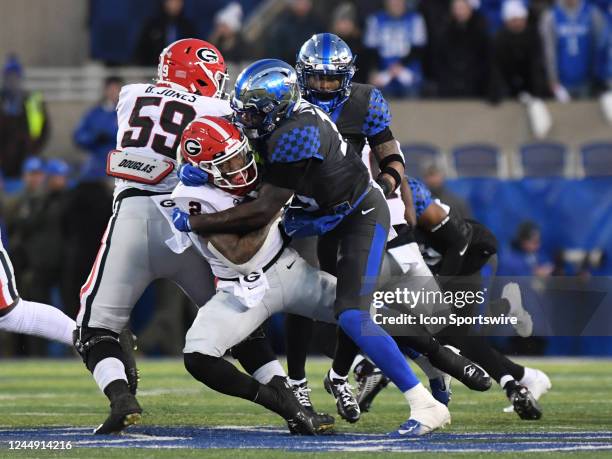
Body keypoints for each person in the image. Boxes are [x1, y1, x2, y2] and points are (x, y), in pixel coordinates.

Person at [173, 58, 451, 436]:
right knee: (354, 312)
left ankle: (426, 401)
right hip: (315, 222)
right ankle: (436, 365)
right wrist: (199, 162)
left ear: (277, 110)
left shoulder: (296, 133)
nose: (245, 121)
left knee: (353, 315)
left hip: (357, 214)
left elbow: (263, 210)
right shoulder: (268, 121)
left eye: (253, 114)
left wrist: (195, 221)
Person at [74, 39, 280, 435]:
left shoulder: (129, 95)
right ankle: (291, 401)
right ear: (200, 75)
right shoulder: (218, 108)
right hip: (190, 222)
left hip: (132, 216)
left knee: (93, 328)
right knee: (237, 321)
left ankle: (121, 397)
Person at [167, 116, 334, 434]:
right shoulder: (194, 195)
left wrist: (271, 198)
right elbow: (240, 256)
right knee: (200, 354)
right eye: (228, 165)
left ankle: (434, 366)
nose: (241, 168)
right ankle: (285, 405)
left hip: (289, 268)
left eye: (242, 156)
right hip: (240, 286)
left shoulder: (251, 151)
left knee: (363, 310)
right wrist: (273, 208)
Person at [356, 178, 551, 420]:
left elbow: (460, 241)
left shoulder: (424, 210)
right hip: (442, 267)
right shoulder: (382, 220)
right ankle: (525, 376)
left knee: (457, 332)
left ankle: (512, 383)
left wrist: (440, 284)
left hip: (473, 260)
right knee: (448, 334)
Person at [540, 0, 605, 100]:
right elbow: (548, 50)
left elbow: (599, 45)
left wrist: (598, 76)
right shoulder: (551, 16)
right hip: (562, 81)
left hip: (587, 79)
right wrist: (552, 78)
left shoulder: (591, 13)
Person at [364, 0, 427, 98]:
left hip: (409, 72)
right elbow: (370, 50)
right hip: (383, 72)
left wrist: (399, 67)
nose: (396, 3)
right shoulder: (375, 19)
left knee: (412, 100)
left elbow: (418, 49)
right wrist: (374, 71)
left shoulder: (415, 19)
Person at [0, 55, 49, 178]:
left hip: (26, 159)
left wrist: (31, 152)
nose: (12, 80)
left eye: (15, 76)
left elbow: (43, 131)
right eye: (9, 76)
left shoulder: (33, 102)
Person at [490, 0, 549, 101]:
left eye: (520, 19)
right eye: (514, 20)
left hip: (530, 87)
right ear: (507, 21)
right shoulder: (500, 38)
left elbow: (537, 65)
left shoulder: (533, 36)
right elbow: (497, 68)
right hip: (507, 88)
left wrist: (538, 91)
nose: (517, 23)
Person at [433, 0, 493, 98]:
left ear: (470, 10)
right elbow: (439, 59)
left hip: (475, 84)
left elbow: (486, 59)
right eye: (457, 9)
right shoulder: (444, 31)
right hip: (449, 84)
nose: (460, 12)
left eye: (463, 8)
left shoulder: (481, 31)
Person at [73, 76, 122, 178]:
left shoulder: (128, 113)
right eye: (110, 89)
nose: (113, 92)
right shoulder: (94, 113)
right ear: (105, 91)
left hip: (121, 167)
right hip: (97, 167)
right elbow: (78, 136)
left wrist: (113, 134)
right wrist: (94, 138)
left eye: (116, 89)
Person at [133, 0, 197, 66]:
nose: (173, 5)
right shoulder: (152, 25)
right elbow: (142, 51)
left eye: (177, 2)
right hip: (154, 70)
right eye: (171, 1)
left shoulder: (188, 27)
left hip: (182, 68)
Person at [265, 0, 323, 64]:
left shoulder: (317, 23)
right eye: (299, 2)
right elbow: (275, 53)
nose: (303, 4)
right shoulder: (281, 25)